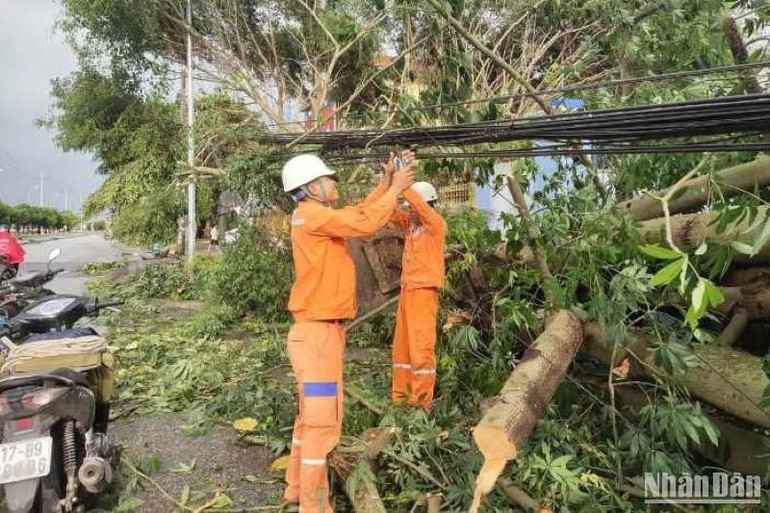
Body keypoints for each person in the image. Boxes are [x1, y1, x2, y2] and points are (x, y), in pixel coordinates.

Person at [282, 153, 415, 513]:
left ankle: (295, 488)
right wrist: (397, 189)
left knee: (308, 416)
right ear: (312, 188)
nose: (335, 183)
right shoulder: (311, 216)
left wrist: (385, 185)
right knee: (323, 424)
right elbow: (365, 224)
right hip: (318, 338)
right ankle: (315, 506)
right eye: (329, 179)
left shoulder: (314, 215)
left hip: (316, 334)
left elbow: (358, 214)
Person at [387, 172, 447, 409]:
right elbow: (390, 213)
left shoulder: (435, 223)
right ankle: (401, 398)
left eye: (412, 207)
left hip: (424, 291)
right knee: (402, 347)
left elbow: (419, 207)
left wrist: (404, 184)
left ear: (425, 204)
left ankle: (420, 403)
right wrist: (390, 183)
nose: (408, 211)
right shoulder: (411, 224)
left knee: (421, 347)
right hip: (408, 290)